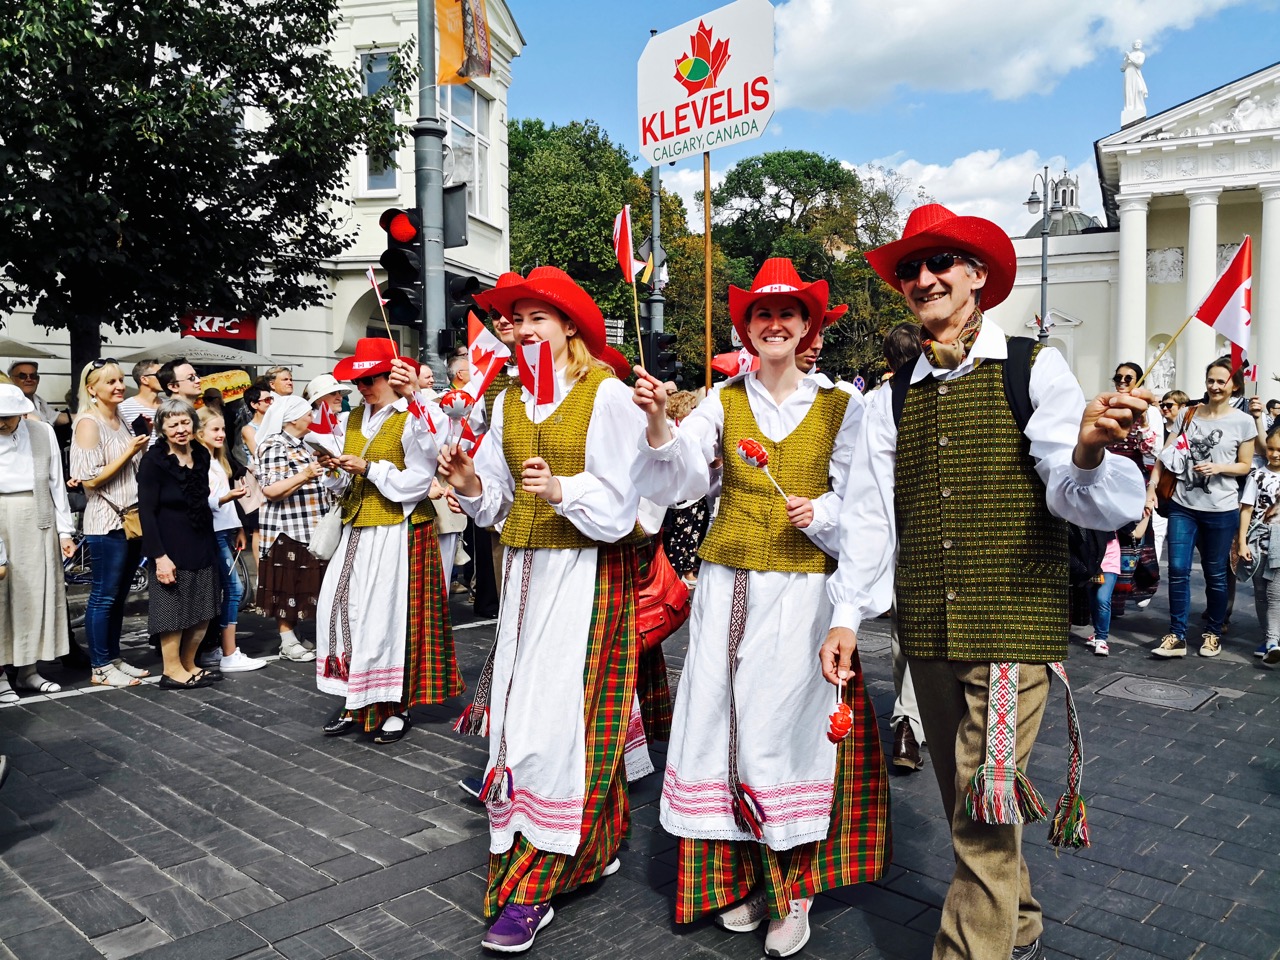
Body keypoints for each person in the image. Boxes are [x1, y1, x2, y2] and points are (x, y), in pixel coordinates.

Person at [822, 204, 1147, 960]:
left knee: (981, 806)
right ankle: (1021, 922)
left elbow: (1070, 489)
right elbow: (871, 517)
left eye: (940, 263)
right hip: (927, 628)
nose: (924, 278)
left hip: (1010, 626)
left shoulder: (1035, 366)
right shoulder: (887, 396)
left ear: (977, 276)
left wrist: (1093, 451)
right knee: (964, 799)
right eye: (910, 268)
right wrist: (846, 617)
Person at [632, 259, 887, 958]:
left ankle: (793, 889)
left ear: (808, 327)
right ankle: (745, 877)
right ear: (747, 328)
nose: (775, 324)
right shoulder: (724, 401)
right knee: (722, 726)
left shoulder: (842, 404)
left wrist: (822, 511)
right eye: (762, 314)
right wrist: (658, 422)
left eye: (789, 313)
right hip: (727, 587)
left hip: (804, 594)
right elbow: (683, 476)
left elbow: (862, 506)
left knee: (788, 730)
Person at [438, 267, 643, 953]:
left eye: (538, 318)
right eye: (515, 319)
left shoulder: (606, 396)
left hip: (587, 574)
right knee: (539, 721)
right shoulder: (508, 403)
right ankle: (591, 845)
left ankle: (529, 887)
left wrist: (563, 488)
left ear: (570, 328)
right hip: (523, 575)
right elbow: (496, 503)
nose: (523, 329)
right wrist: (469, 484)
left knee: (552, 729)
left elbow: (624, 506)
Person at [315, 341, 457, 746]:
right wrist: (334, 470)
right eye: (358, 381)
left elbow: (420, 476)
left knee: (393, 619)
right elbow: (344, 482)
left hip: (401, 528)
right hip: (358, 528)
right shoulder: (353, 417)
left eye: (369, 379)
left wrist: (371, 467)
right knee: (345, 610)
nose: (363, 387)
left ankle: (397, 706)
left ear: (391, 376)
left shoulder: (413, 415)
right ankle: (354, 699)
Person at [1146, 356, 1256, 658]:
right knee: (1178, 569)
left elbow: (1245, 466)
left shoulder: (1243, 421)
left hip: (1221, 508)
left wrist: (1219, 467)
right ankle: (1176, 635)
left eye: (1221, 381)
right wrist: (1151, 488)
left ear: (1233, 385)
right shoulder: (1188, 414)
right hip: (1183, 504)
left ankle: (1212, 632)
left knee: (1216, 574)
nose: (1215, 386)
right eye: (1211, 380)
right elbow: (1166, 454)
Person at [69, 360, 151, 687]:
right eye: (110, 382)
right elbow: (89, 480)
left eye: (120, 380)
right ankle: (100, 666)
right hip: (106, 521)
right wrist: (128, 452)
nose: (119, 386)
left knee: (118, 595)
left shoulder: (122, 419)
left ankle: (113, 657)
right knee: (103, 595)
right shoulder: (88, 423)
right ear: (92, 389)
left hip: (130, 517)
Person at [137, 398, 222, 689]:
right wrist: (159, 556)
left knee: (203, 607)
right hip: (169, 543)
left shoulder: (201, 454)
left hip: (201, 538)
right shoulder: (153, 462)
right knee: (172, 610)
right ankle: (171, 670)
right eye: (172, 424)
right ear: (161, 428)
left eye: (185, 422)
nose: (180, 429)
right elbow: (146, 513)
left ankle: (189, 663)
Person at [0, 383, 75, 701]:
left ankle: (29, 669)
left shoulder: (42, 432)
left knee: (35, 597)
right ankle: (1, 674)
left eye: (9, 417)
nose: (3, 423)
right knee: (2, 600)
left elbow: (56, 482)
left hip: (38, 518)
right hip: (1, 518)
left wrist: (64, 531)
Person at [875, 322, 928, 773]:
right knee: (922, 631)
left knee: (902, 634)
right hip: (926, 530)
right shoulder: (932, 392)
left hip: (893, 534)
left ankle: (909, 718)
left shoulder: (880, 399)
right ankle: (910, 718)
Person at [255, 396, 330, 663]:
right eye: (308, 414)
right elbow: (271, 490)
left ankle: (296, 635)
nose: (313, 418)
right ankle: (287, 640)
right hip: (287, 529)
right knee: (287, 586)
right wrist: (305, 475)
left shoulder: (305, 445)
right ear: (293, 419)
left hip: (310, 525)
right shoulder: (274, 445)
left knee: (305, 585)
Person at [196, 410, 266, 672]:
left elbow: (226, 503)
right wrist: (226, 501)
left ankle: (219, 649)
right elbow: (207, 502)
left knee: (228, 590)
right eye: (215, 430)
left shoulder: (219, 460)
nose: (222, 434)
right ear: (199, 432)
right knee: (234, 590)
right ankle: (228, 652)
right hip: (212, 532)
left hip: (224, 530)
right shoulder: (201, 460)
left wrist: (237, 528)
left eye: (223, 429)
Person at [1105, 362, 1161, 615]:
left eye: (1129, 378)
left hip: (1134, 483)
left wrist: (1145, 418)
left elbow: (1152, 452)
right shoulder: (1106, 406)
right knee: (1105, 543)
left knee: (1130, 541)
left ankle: (1121, 597)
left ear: (1138, 382)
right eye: (1118, 377)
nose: (1123, 382)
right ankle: (1103, 602)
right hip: (1106, 481)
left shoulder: (1149, 413)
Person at [1237, 427, 1280, 665]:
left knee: (1275, 594)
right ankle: (1268, 638)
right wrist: (1242, 542)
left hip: (1279, 542)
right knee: (1261, 594)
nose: (1274, 454)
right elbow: (1247, 509)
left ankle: (1273, 641)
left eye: (1279, 450)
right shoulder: (1256, 475)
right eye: (1271, 449)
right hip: (1257, 541)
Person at [659, 390, 709, 586]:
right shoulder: (672, 427)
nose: (695, 411)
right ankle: (675, 575)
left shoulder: (691, 427)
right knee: (680, 535)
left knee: (694, 533)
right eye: (692, 407)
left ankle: (688, 571)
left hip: (696, 492)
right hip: (680, 493)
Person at [8, 361, 70, 427]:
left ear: (38, 380)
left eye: (33, 376)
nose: (29, 379)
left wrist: (80, 416)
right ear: (11, 380)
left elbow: (55, 417)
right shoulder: (10, 403)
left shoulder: (38, 400)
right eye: (23, 376)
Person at [118, 360, 163, 434]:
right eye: (159, 374)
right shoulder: (124, 408)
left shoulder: (169, 405)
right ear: (144, 379)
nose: (163, 378)